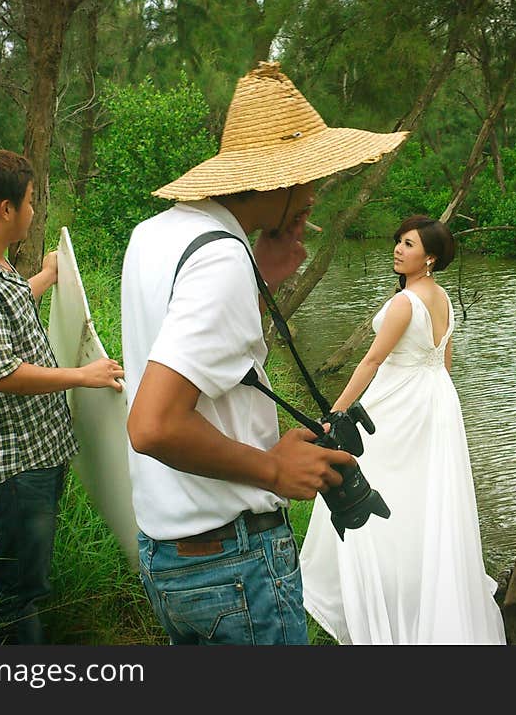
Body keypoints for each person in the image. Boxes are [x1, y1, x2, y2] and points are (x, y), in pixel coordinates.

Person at [121, 61, 407, 645]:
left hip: (171, 551)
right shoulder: (223, 258)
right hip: (232, 561)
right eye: (310, 179)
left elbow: (202, 367)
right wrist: (273, 467)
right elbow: (151, 425)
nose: (313, 194)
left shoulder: (157, 234)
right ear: (276, 181)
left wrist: (263, 284)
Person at [0, 149, 124, 644]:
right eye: (28, 202)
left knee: (28, 572)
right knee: (18, 591)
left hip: (38, 450)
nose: (33, 210)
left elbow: (6, 311)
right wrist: (82, 376)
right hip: (17, 463)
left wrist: (44, 278)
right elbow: (1, 374)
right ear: (5, 209)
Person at [299, 214, 507, 644]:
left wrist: (334, 416)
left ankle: (376, 592)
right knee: (423, 494)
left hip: (399, 402)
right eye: (398, 241)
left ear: (429, 257)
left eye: (408, 244)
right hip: (435, 402)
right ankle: (416, 590)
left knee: (368, 480)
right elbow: (443, 364)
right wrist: (440, 410)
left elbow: (372, 361)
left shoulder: (405, 302)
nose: (398, 248)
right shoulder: (443, 299)